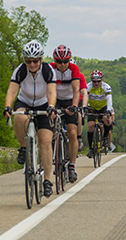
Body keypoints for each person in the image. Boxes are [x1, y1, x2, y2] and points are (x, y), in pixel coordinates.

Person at [3, 40, 57, 197]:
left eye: (35, 61)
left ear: (41, 59)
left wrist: (52, 106)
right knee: (19, 117)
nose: (32, 64)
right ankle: (23, 148)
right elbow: (12, 91)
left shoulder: (48, 70)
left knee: (46, 142)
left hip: (43, 103)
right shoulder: (20, 70)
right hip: (25, 101)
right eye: (28, 61)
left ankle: (47, 181)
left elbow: (52, 92)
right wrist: (7, 106)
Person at [49, 45, 81, 183]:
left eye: (65, 61)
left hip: (69, 100)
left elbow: (76, 90)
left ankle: (72, 166)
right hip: (55, 100)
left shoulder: (74, 69)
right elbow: (47, 88)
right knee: (52, 128)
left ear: (69, 61)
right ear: (54, 61)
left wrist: (74, 106)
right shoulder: (50, 68)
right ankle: (54, 153)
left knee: (72, 133)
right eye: (59, 62)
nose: (62, 65)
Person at [86, 70, 115, 158]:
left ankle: (105, 137)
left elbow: (109, 99)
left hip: (103, 106)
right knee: (91, 126)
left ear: (101, 80)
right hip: (92, 107)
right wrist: (85, 106)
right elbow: (85, 98)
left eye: (98, 81)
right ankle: (91, 148)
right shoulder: (88, 87)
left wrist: (109, 110)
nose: (96, 83)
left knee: (108, 120)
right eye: (94, 81)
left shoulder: (106, 87)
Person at [71, 59, 88, 151]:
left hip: (78, 100)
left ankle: (79, 137)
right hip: (64, 99)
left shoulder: (80, 76)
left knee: (79, 115)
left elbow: (84, 93)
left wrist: (84, 106)